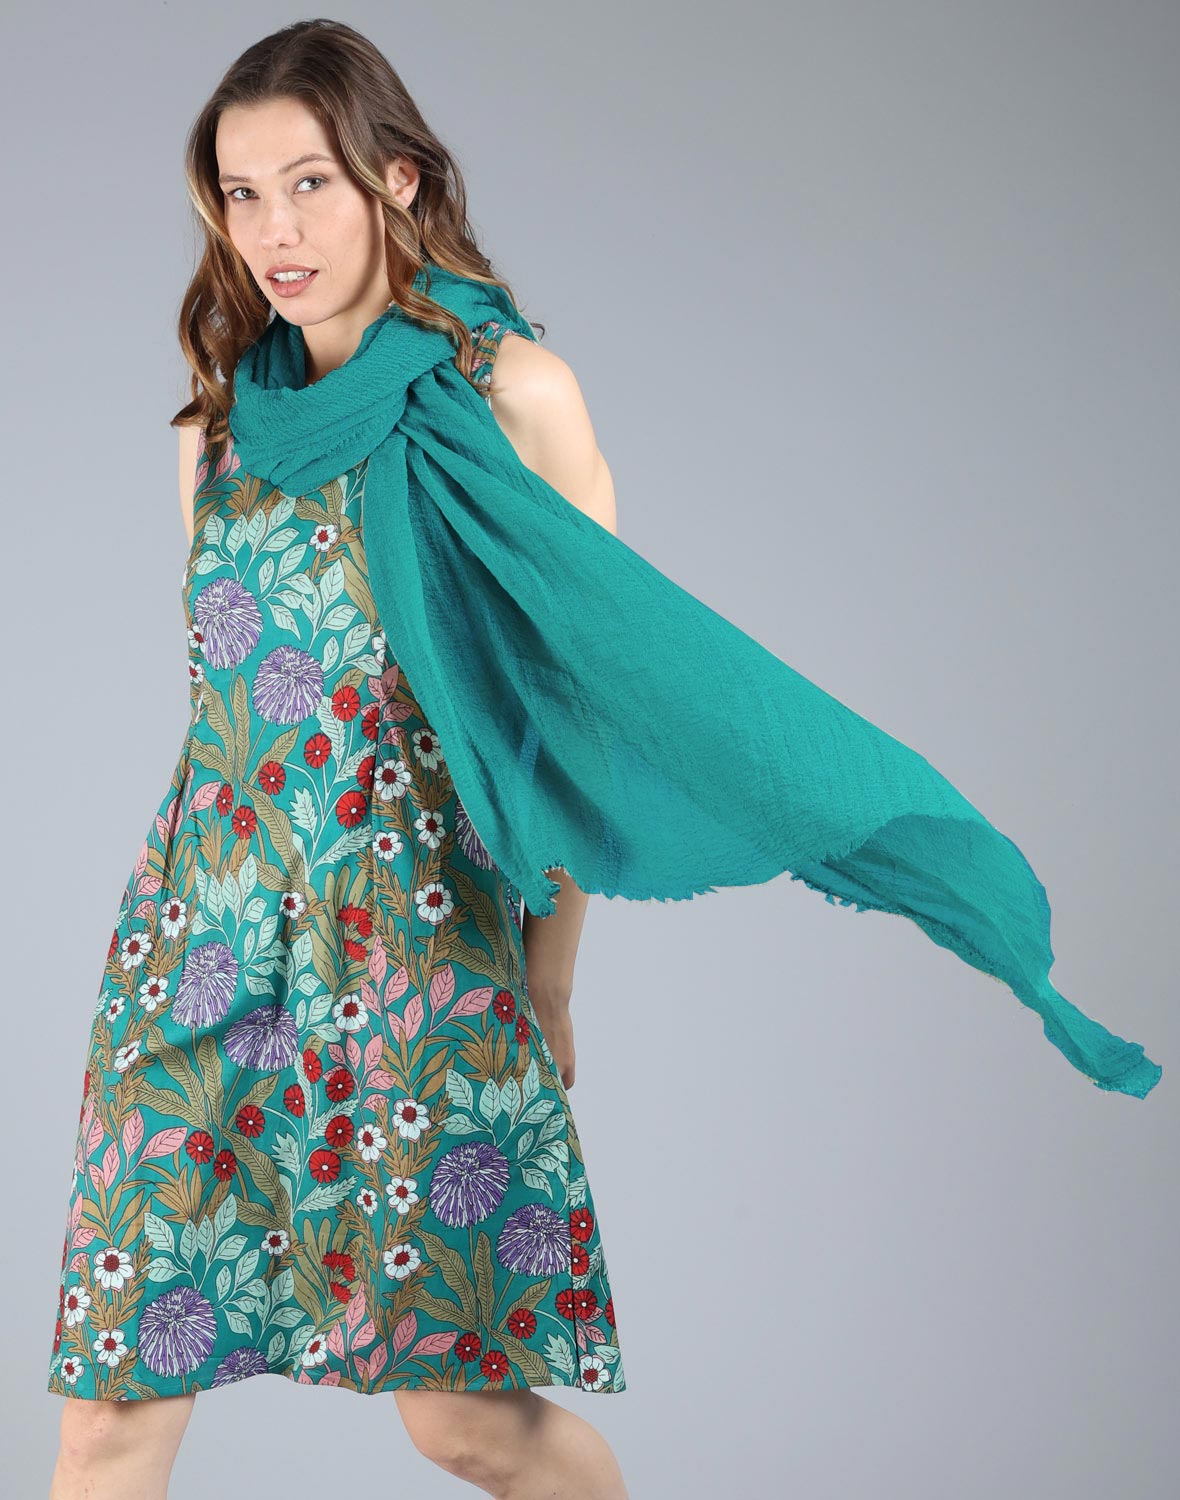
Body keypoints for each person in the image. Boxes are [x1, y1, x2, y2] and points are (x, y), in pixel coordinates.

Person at [48, 18, 629, 1500]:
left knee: (464, 1425)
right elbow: (232, 718)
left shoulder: (513, 399)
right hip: (202, 948)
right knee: (109, 1414)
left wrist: (551, 975)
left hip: (415, 951)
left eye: (308, 184)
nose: (275, 233)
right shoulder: (215, 427)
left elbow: (576, 721)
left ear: (398, 177)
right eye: (242, 196)